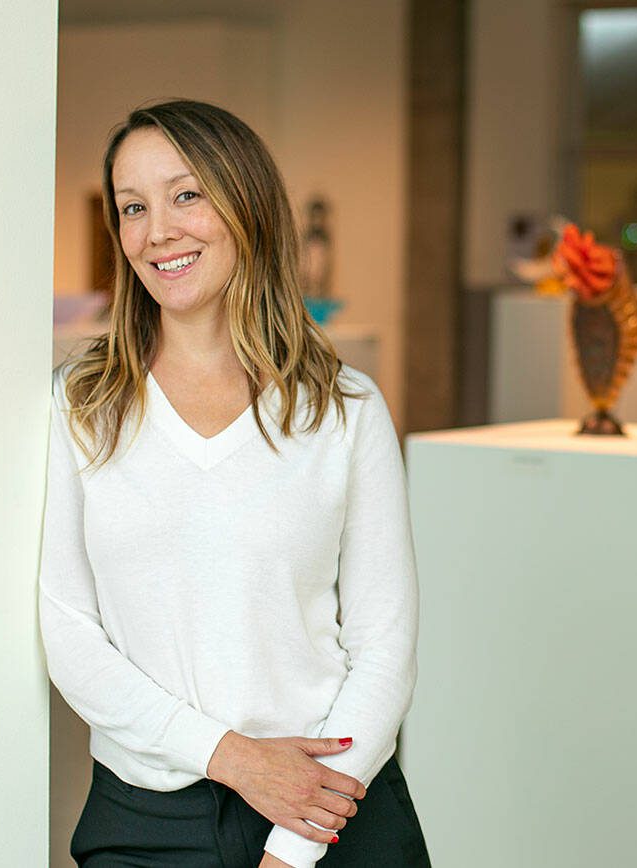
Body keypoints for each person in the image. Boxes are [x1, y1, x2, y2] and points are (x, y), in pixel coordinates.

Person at [39, 100, 430, 868]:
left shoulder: (343, 409)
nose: (158, 231)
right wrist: (232, 758)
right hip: (148, 824)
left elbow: (386, 649)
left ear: (245, 204)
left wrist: (292, 844)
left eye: (186, 195)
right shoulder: (81, 405)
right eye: (132, 207)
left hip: (331, 815)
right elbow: (70, 638)